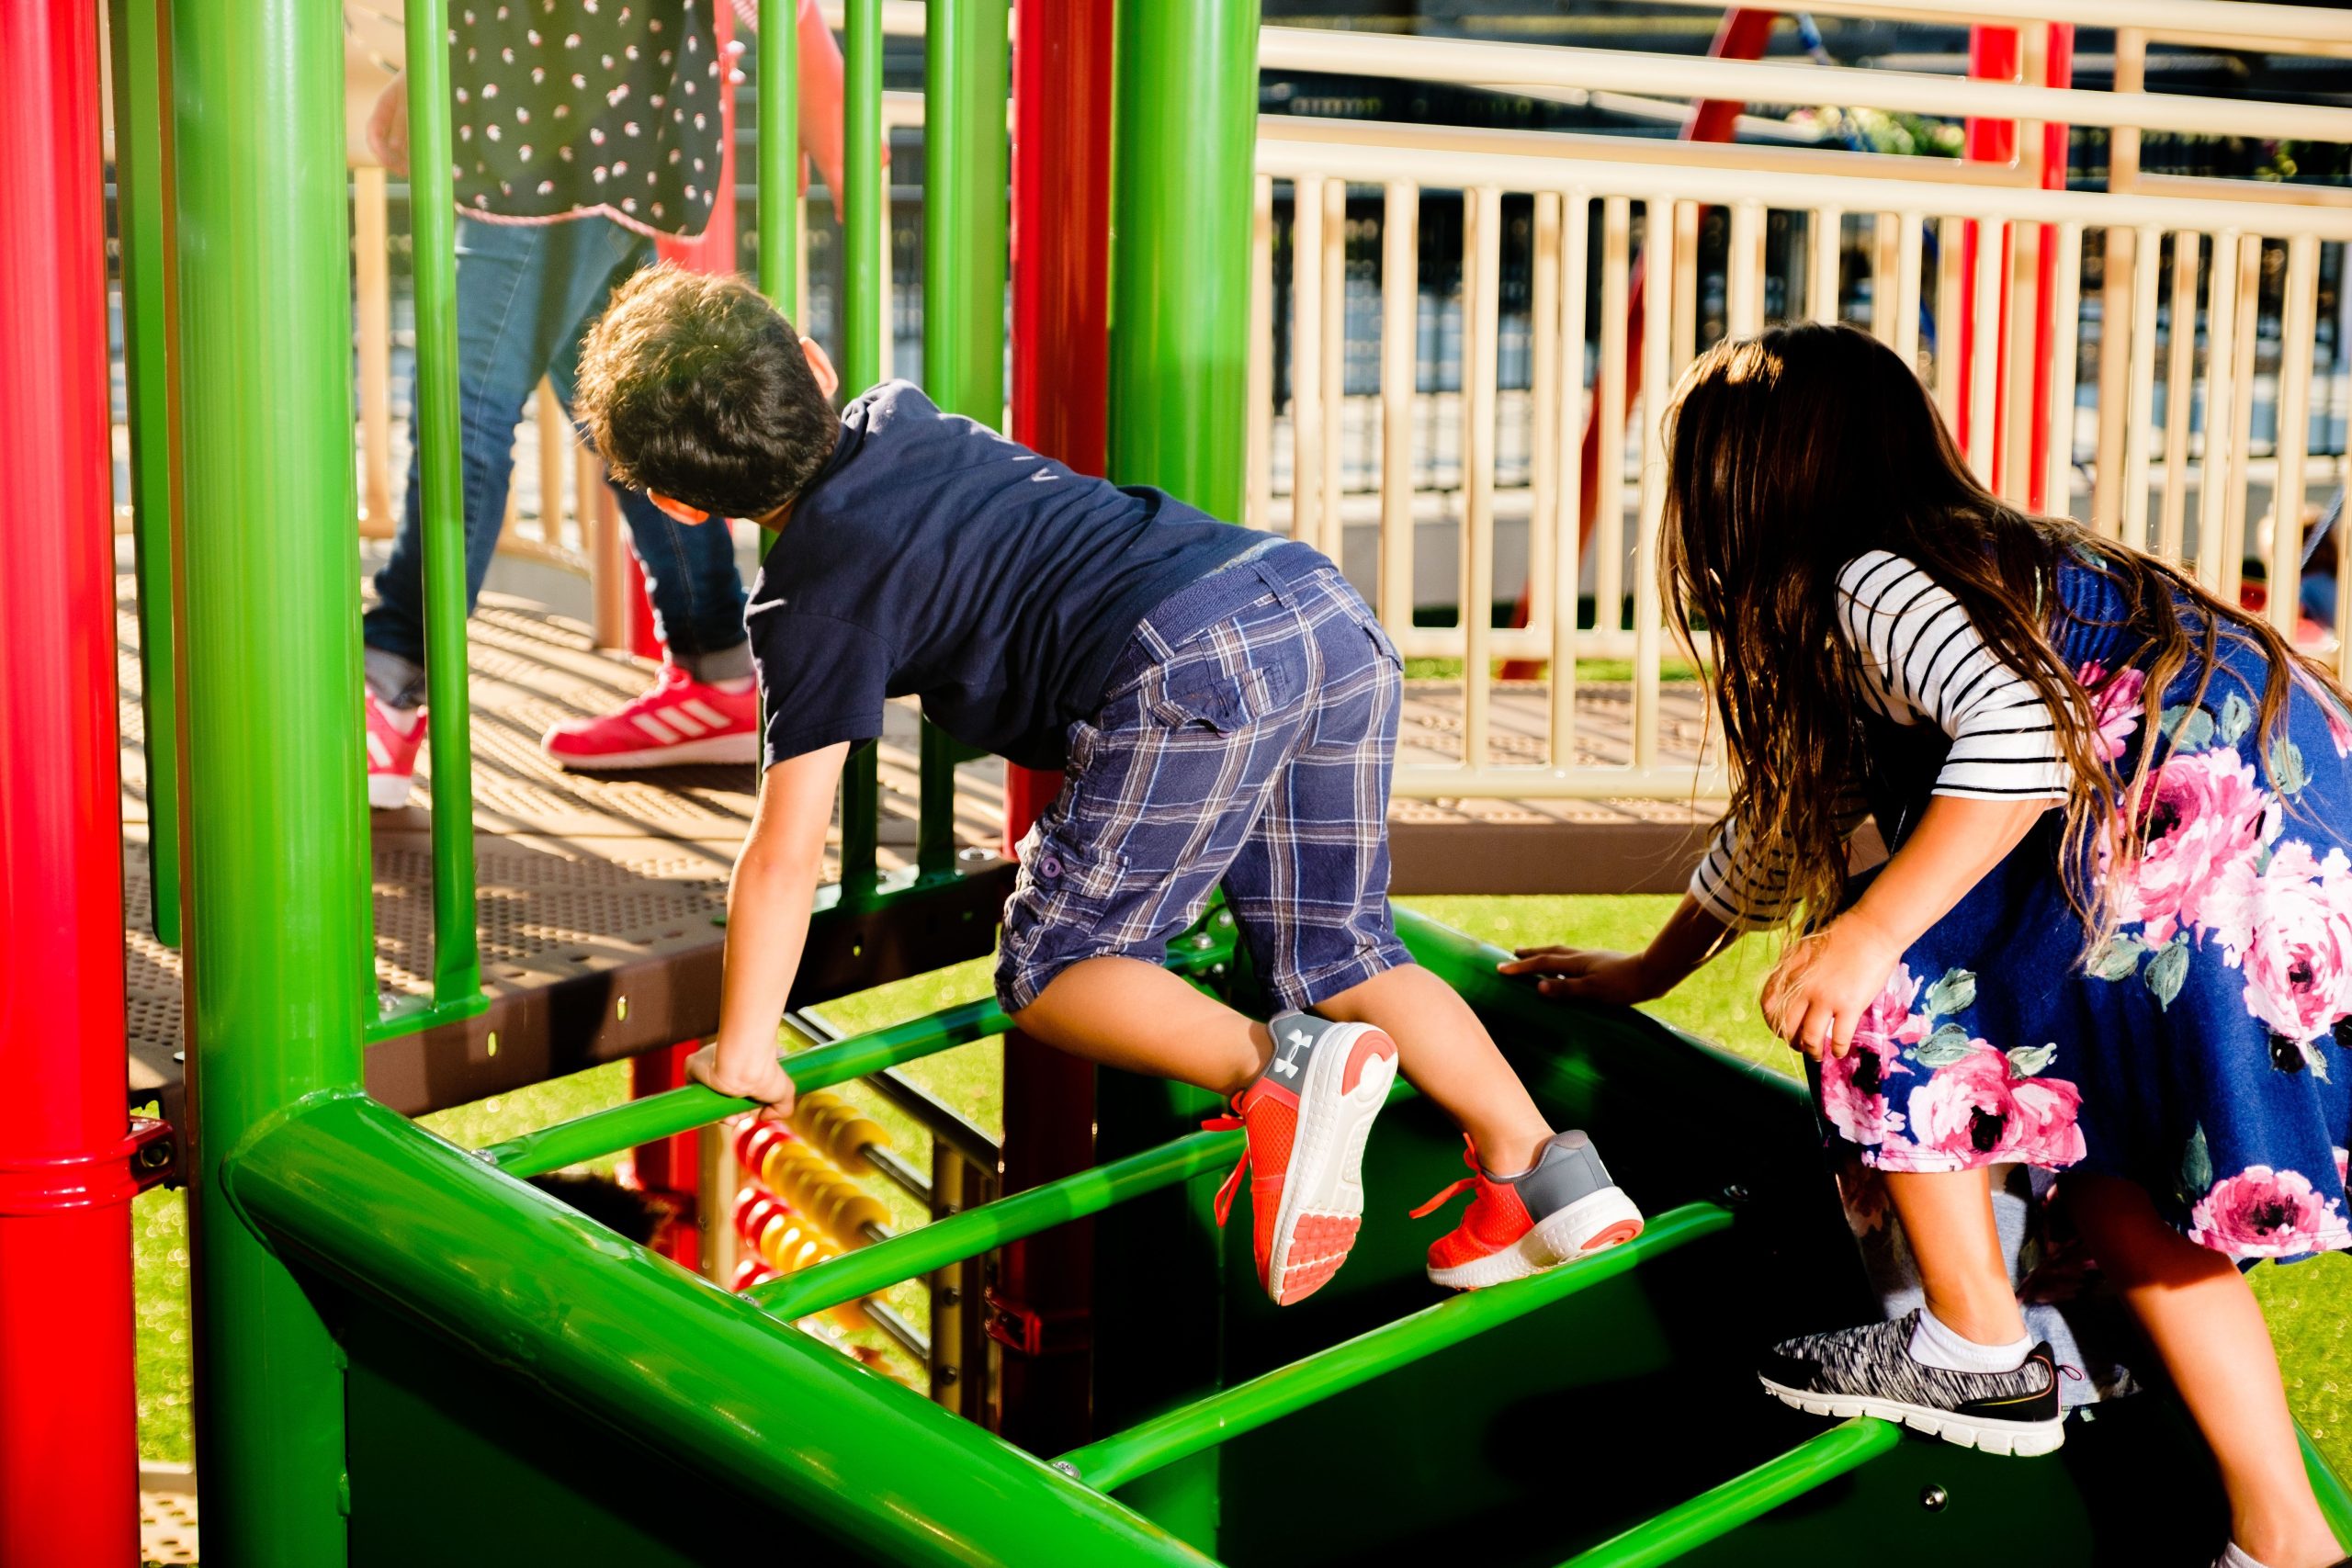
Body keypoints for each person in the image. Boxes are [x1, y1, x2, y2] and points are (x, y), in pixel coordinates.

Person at [568, 265, 1650, 1304]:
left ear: (679, 504)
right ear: (813, 365)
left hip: (1187, 660)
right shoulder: (904, 413)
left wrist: (747, 1044)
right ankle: (1545, 1175)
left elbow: (788, 843)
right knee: (1341, 944)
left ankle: (1274, 1068)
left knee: (1055, 961)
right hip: (1313, 602)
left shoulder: (809, 606)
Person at [1511, 322, 2350, 1568]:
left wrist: (1869, 933)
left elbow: (2016, 739)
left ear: (1753, 489)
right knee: (2115, 1182)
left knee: (1891, 990)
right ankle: (2283, 1534)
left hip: (2176, 819)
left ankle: (1975, 1342)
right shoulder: (1968, 568)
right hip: (2262, 820)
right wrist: (1651, 967)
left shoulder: (1875, 578)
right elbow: (1789, 818)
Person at [358, 0, 848, 807]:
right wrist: (429, 68)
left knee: (466, 409)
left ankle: (393, 676)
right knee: (624, 406)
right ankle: (719, 664)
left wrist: (844, 149)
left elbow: (790, 17)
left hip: (559, 150)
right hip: (575, 130)